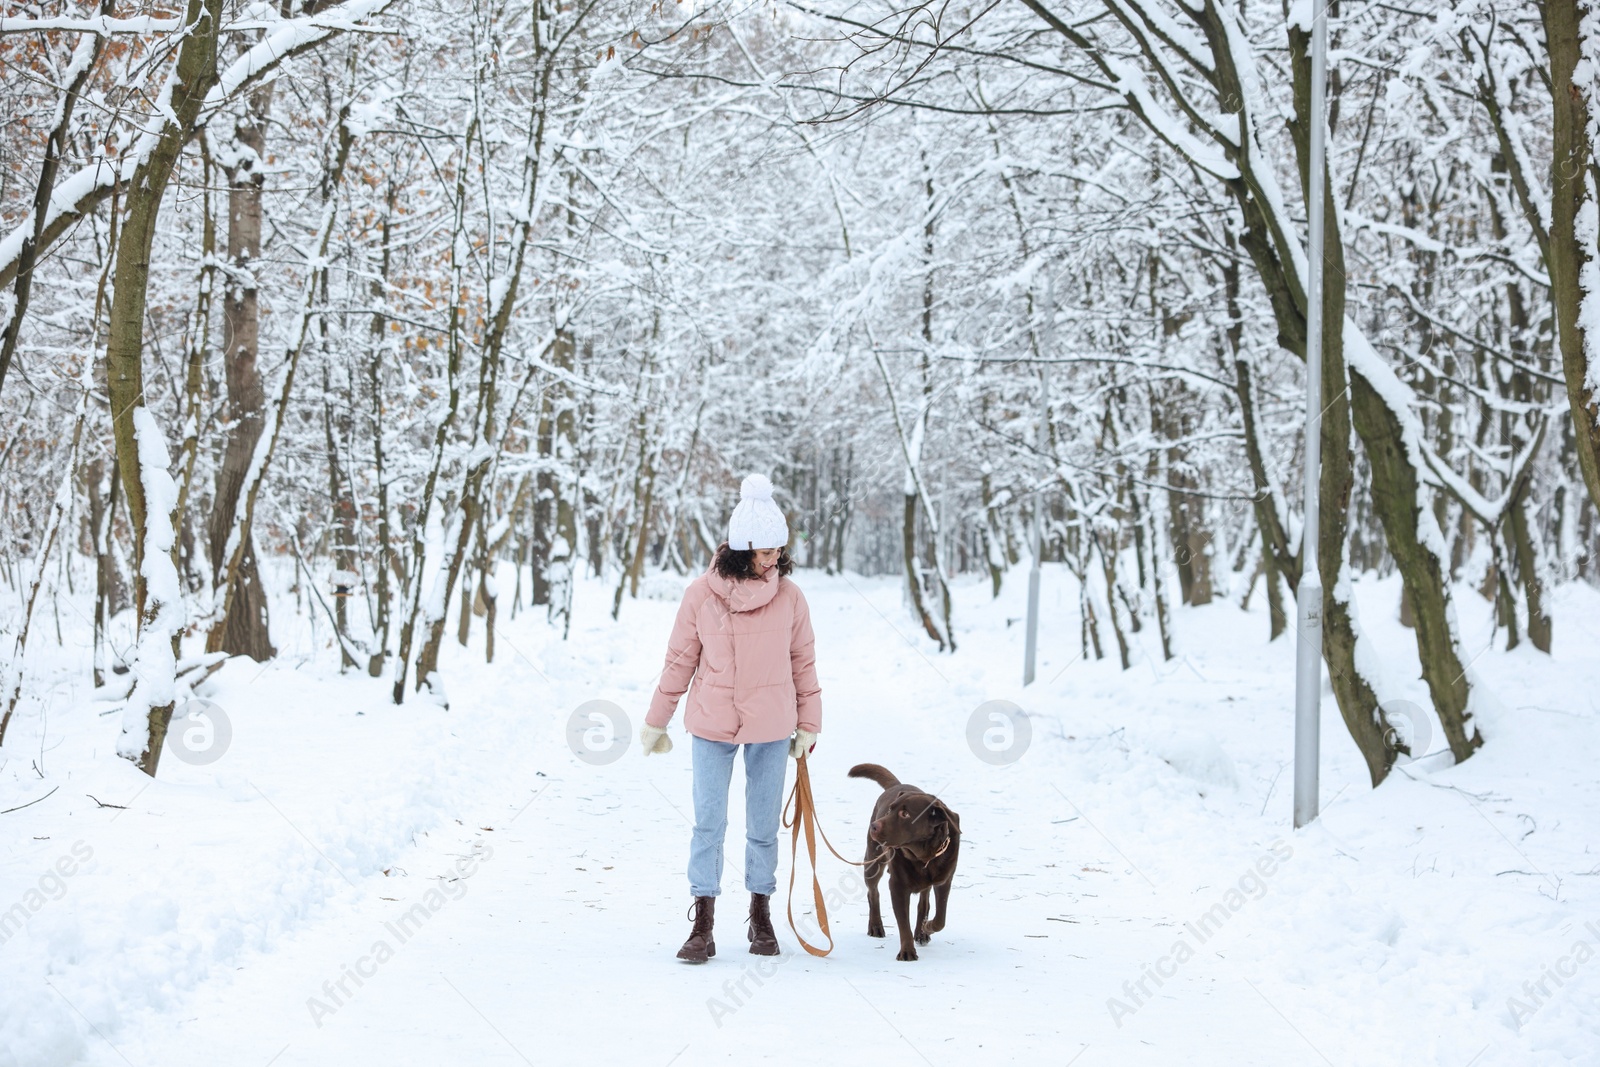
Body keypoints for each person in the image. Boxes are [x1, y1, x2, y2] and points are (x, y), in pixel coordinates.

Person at [639, 473, 822, 963]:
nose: (773, 560)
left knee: (763, 826)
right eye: (764, 551)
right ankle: (703, 920)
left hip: (770, 724)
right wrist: (657, 720)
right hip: (712, 723)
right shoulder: (702, 595)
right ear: (742, 548)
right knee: (708, 824)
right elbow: (680, 660)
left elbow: (802, 662)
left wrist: (809, 723)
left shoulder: (791, 598)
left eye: (778, 551)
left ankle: (761, 913)